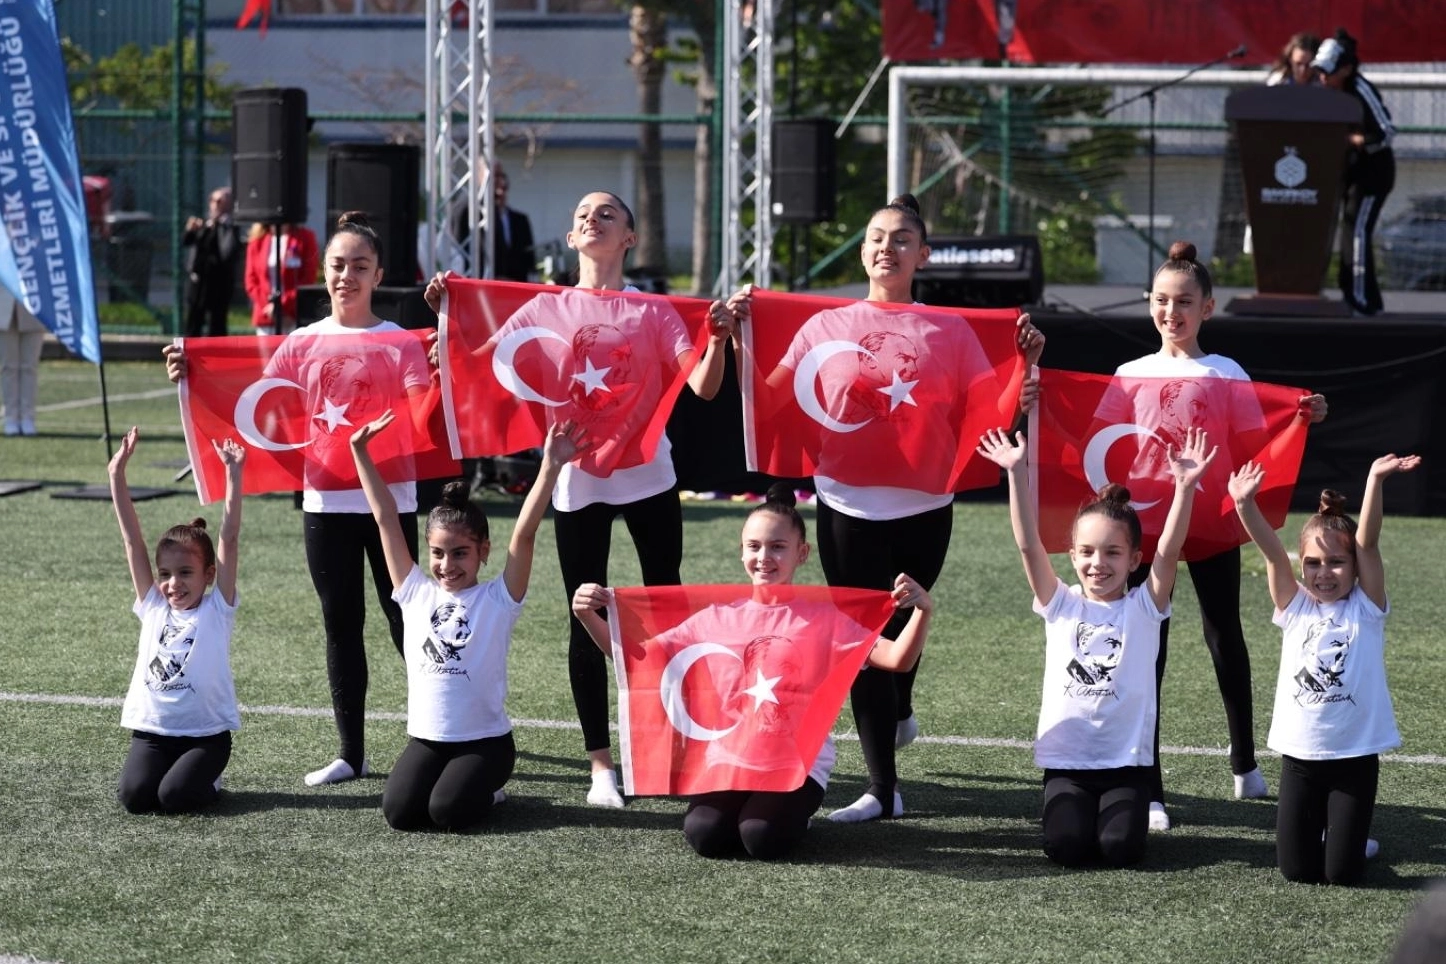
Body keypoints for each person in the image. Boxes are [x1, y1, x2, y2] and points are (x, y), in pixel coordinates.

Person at [726, 193, 1043, 823]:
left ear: (923, 255)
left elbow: (988, 410)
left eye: (901, 239)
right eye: (876, 237)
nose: (886, 248)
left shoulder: (950, 330)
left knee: (903, 627)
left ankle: (900, 706)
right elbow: (771, 397)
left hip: (926, 505)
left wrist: (1024, 371)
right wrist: (740, 339)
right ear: (863, 251)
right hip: (845, 505)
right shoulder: (824, 327)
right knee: (862, 643)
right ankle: (882, 789)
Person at [425, 190, 736, 808]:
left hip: (650, 475)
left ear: (629, 238)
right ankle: (601, 767)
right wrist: (445, 322)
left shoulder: (654, 310)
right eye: (582, 216)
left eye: (607, 214)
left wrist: (719, 341)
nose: (592, 220)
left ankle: (676, 744)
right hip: (576, 478)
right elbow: (480, 366)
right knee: (583, 612)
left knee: (666, 611)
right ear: (571, 239)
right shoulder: (544, 307)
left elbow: (703, 388)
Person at [167, 211, 430, 786]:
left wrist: (440, 366)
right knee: (341, 626)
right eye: (338, 265)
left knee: (407, 620)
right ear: (323, 272)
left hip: (390, 505)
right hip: (325, 505)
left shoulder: (401, 341)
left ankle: (442, 737)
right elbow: (251, 399)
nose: (347, 276)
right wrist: (194, 370)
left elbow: (426, 411)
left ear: (379, 274)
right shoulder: (301, 342)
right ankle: (352, 753)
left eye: (360, 266)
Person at [1096, 241, 1328, 831]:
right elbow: (1098, 441)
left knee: (1225, 636)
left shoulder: (1225, 372)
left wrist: (1301, 416)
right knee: (1147, 650)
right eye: (1161, 300)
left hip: (1213, 520)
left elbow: (1259, 437)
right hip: (1148, 527)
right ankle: (1149, 788)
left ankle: (1245, 762)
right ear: (1149, 303)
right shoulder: (1129, 374)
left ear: (1208, 308)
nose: (1170, 312)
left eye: (1184, 302)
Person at [570, 484, 934, 860]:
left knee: (761, 838)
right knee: (705, 836)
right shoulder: (717, 616)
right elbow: (639, 658)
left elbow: (897, 660)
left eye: (778, 547)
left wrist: (923, 611)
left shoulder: (826, 618)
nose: (764, 557)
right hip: (731, 758)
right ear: (742, 551)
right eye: (754, 546)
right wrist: (587, 616)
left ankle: (795, 816)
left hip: (796, 762)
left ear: (802, 553)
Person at [976, 426, 1216, 867]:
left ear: (1134, 559)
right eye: (1086, 552)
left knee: (1119, 849)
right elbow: (1028, 546)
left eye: (1112, 553)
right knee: (1067, 847)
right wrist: (1015, 473)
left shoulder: (1145, 607)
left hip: (1126, 767)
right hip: (1067, 765)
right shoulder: (1060, 604)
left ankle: (1128, 815)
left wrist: (1185, 487)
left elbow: (1169, 551)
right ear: (1072, 556)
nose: (1097, 563)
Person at [350, 409, 587, 830]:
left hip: (486, 743)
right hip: (428, 739)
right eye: (438, 553)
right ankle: (456, 784)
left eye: (460, 553)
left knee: (449, 812)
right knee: (400, 813)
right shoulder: (414, 592)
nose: (447, 565)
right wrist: (360, 453)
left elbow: (524, 534)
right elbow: (386, 518)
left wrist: (550, 466)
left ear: (483, 552)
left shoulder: (498, 599)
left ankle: (492, 790)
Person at [1229, 453, 1417, 885]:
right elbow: (1273, 555)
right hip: (1300, 760)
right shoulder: (1295, 606)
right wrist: (1244, 505)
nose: (1324, 573)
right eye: (1312, 563)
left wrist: (1374, 479)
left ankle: (1354, 843)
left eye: (1336, 562)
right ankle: (1338, 837)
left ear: (1354, 567)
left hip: (1354, 760)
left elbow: (1367, 543)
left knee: (1342, 873)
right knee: (1297, 871)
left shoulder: (1366, 608)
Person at [109, 426, 244, 814]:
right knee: (135, 799)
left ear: (209, 575)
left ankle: (210, 780)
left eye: (185, 573)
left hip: (205, 737)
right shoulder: (153, 605)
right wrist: (117, 475)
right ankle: (173, 772)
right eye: (166, 574)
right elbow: (132, 542)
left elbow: (229, 539)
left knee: (174, 798)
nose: (173, 584)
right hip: (153, 733)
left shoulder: (217, 609)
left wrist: (233, 475)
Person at [1312, 28, 1396, 317]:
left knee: (1357, 232)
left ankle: (1362, 300)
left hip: (1372, 175)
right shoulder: (1327, 91)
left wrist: (1356, 140)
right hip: (1350, 174)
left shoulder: (1360, 89)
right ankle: (1357, 295)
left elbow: (1386, 131)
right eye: (1320, 71)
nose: (1323, 78)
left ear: (1347, 69)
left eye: (1329, 72)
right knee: (1349, 230)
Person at [452, 162, 535, 282]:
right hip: (480, 281)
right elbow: (460, 248)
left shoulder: (518, 219)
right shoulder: (468, 209)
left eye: (502, 176)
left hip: (513, 283)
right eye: (495, 176)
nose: (500, 182)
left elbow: (528, 257)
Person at [183, 187, 242, 337]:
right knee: (194, 320)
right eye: (213, 200)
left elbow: (228, 252)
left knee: (217, 323)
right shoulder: (204, 224)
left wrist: (225, 225)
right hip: (199, 280)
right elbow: (187, 242)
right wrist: (191, 230)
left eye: (220, 201)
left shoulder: (230, 227)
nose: (215, 205)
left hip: (219, 283)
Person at [244, 221, 320, 335]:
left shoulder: (305, 237)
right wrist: (271, 307)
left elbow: (308, 278)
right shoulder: (257, 241)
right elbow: (251, 282)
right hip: (266, 315)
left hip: (293, 315)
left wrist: (283, 306)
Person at [0, 287, 44, 436]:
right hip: (3, 307)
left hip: (35, 306)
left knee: (30, 367)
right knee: (8, 367)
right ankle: (10, 418)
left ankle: (28, 418)